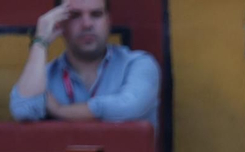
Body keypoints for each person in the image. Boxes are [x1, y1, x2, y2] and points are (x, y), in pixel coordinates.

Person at [9, 1, 160, 128]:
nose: (86, 24)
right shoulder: (44, 77)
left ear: (108, 21)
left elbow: (129, 107)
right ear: (60, 24)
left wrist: (60, 111)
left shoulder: (137, 65)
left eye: (96, 14)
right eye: (75, 16)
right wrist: (40, 42)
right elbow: (23, 111)